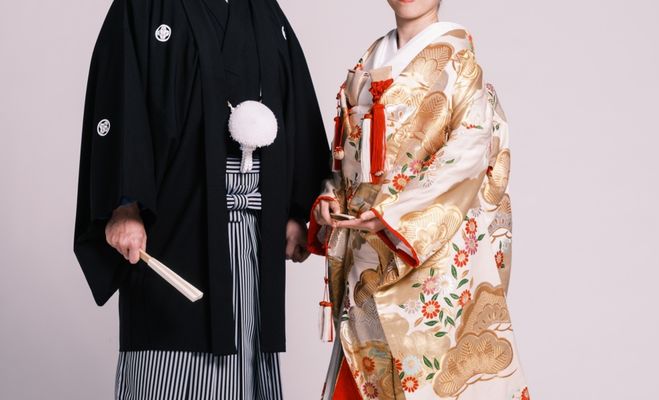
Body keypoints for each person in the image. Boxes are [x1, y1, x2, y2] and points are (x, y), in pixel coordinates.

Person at [73, 0, 330, 398]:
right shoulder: (143, 7)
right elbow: (120, 93)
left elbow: (294, 103)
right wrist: (125, 206)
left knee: (246, 358)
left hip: (252, 238)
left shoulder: (263, 10)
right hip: (174, 226)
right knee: (169, 357)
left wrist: (295, 211)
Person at [307, 0, 529, 398]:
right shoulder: (367, 62)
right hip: (364, 254)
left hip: (421, 255)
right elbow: (346, 158)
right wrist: (331, 195)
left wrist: (393, 214)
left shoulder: (460, 63)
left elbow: (468, 154)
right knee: (363, 374)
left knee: (426, 379)